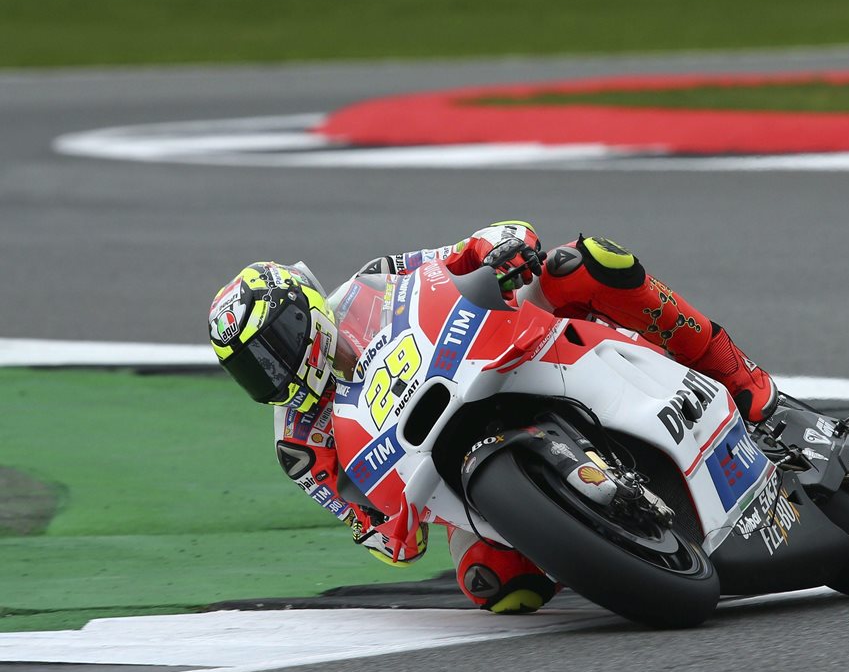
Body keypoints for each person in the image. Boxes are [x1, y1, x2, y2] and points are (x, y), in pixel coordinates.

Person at [208, 221, 777, 614]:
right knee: (496, 585)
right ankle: (599, 539)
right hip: (443, 467)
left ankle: (736, 372)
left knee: (584, 264)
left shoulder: (371, 283)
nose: (273, 370)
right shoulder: (298, 444)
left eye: (273, 347)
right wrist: (382, 523)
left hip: (492, 354)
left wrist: (504, 250)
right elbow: (385, 536)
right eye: (253, 368)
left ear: (305, 311)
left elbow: (468, 250)